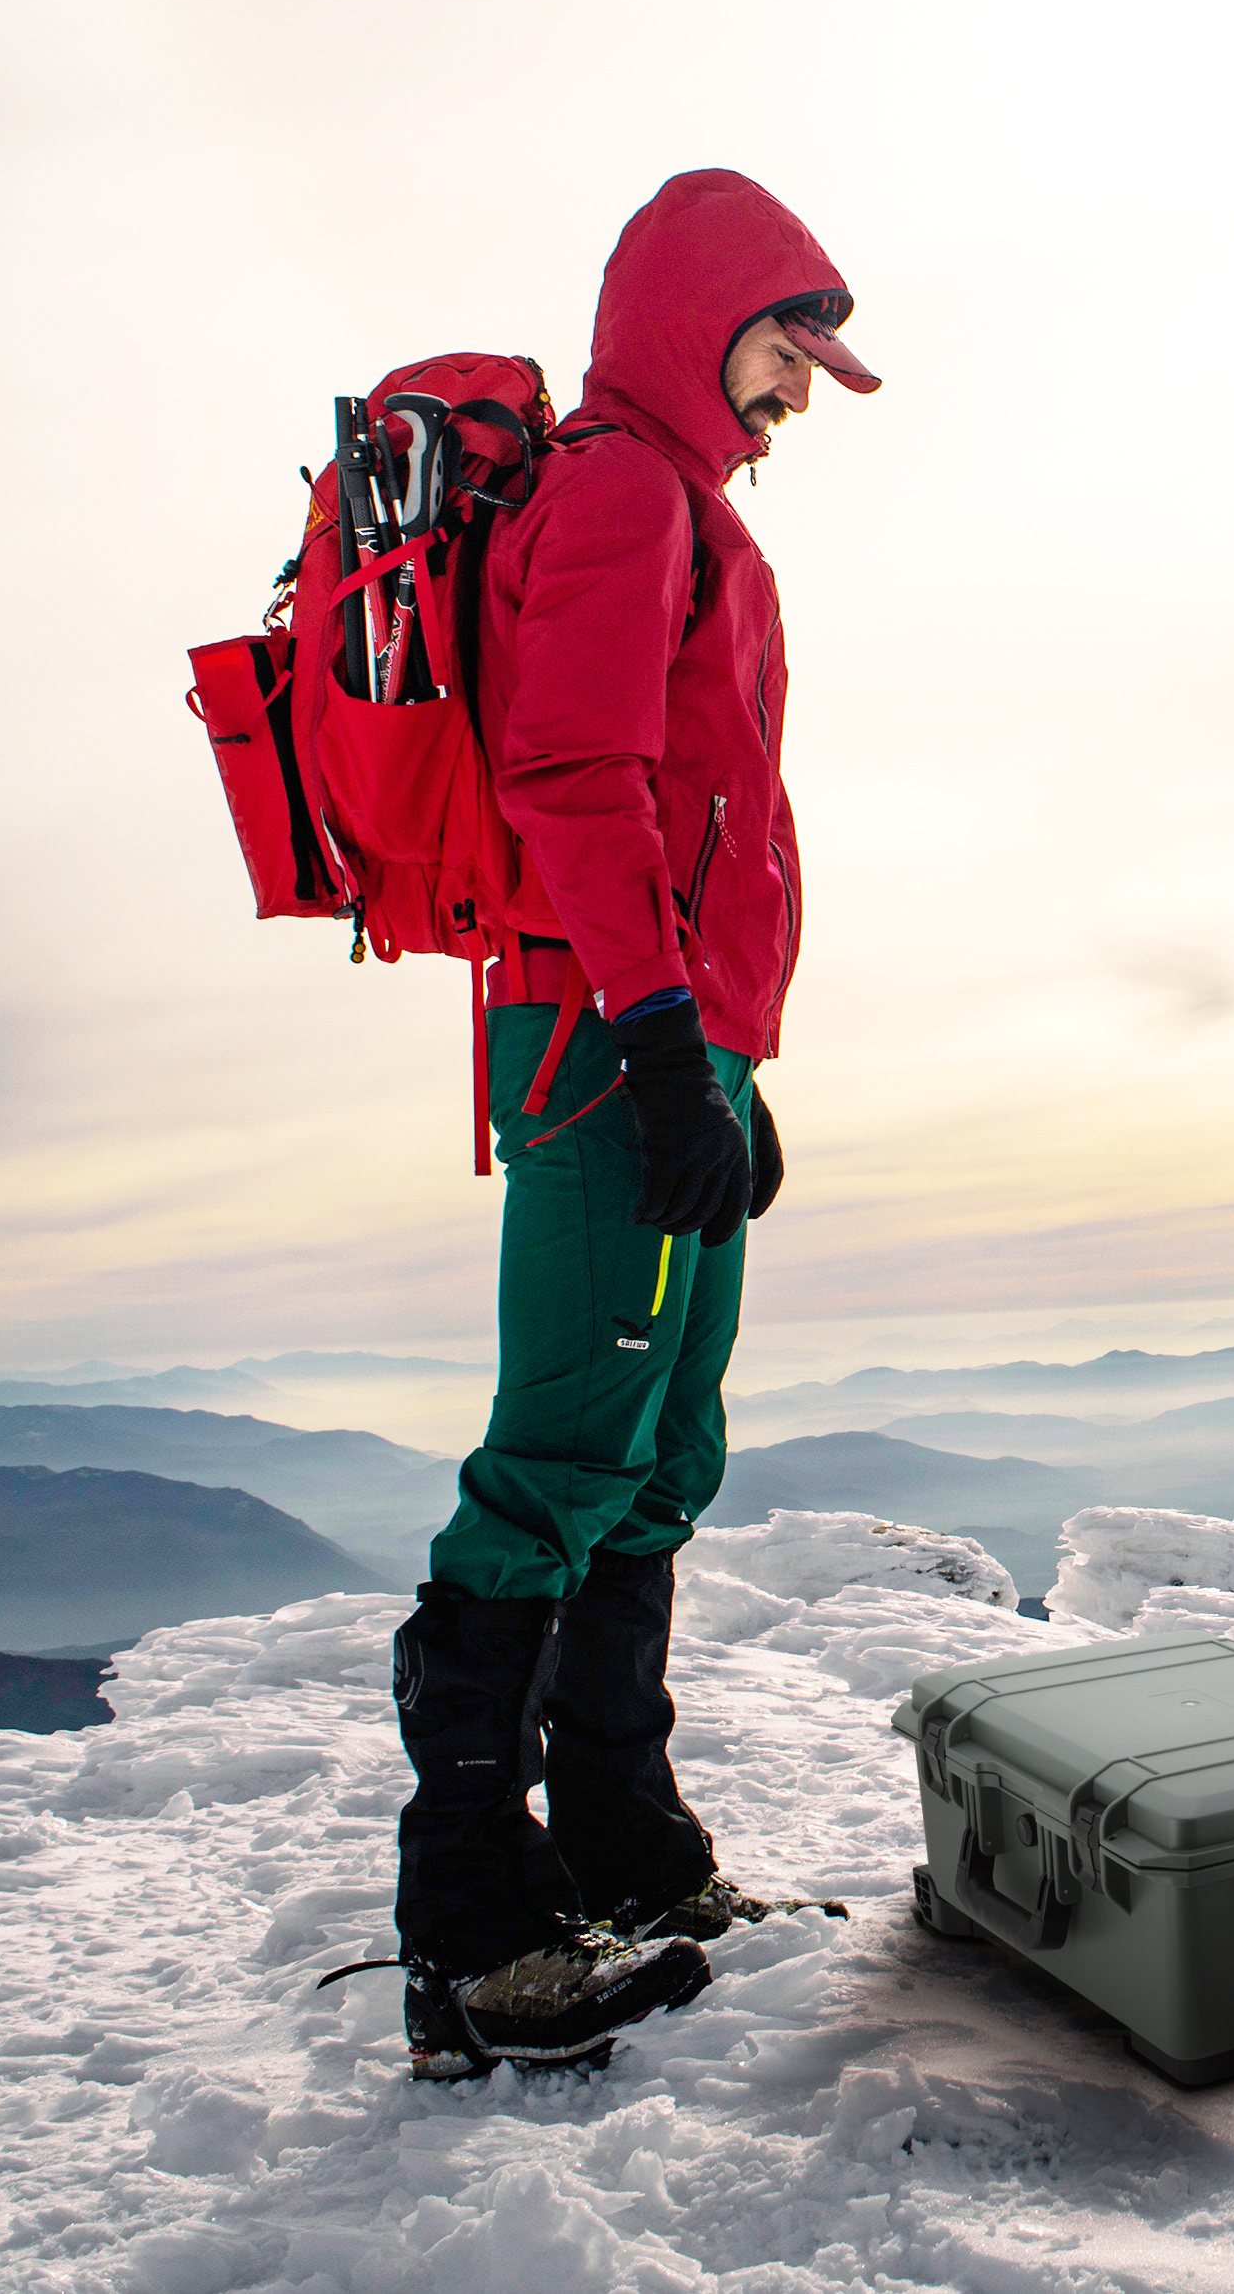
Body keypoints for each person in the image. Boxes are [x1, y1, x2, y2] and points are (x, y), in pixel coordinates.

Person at [386, 168, 881, 2078]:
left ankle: (624, 1850)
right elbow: (572, 777)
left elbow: (701, 810)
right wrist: (667, 1048)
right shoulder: (616, 491)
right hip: (603, 1038)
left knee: (665, 1448)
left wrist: (732, 1065)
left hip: (678, 1037)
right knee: (563, 1453)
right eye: (785, 349)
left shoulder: (693, 511)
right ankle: (476, 1937)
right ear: (697, 320)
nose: (802, 393)